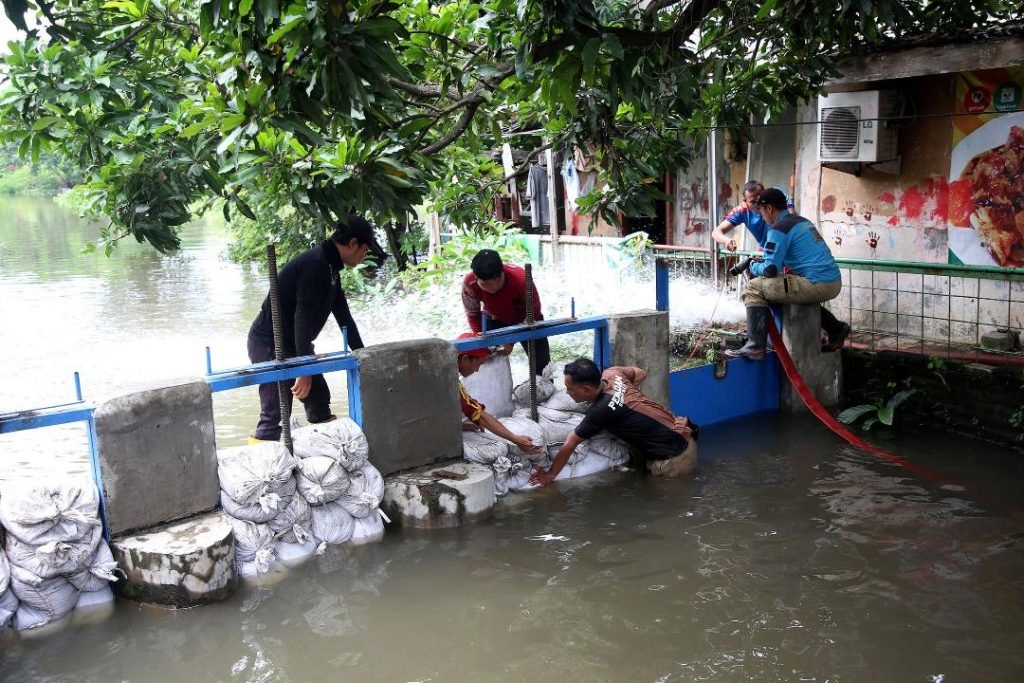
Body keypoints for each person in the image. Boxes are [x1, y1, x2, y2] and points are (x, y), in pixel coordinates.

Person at [247, 216, 386, 441]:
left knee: (319, 399)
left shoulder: (331, 268)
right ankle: (263, 470)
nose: (364, 256)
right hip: (270, 344)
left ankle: (325, 453)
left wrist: (362, 356)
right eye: (365, 250)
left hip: (295, 344)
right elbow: (302, 317)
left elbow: (344, 318)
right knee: (276, 414)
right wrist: (304, 367)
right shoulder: (316, 265)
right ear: (352, 243)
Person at [713, 180, 850, 352]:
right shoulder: (801, 221)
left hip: (818, 284)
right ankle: (836, 328)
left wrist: (752, 266)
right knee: (789, 291)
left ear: (769, 208)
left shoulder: (778, 228)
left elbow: (770, 270)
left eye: (761, 211)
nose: (761, 216)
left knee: (754, 289)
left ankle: (755, 344)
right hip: (833, 280)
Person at [529, 358, 698, 486]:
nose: (567, 393)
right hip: (680, 433)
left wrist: (550, 475)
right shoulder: (613, 374)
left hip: (674, 458)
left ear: (586, 389)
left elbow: (570, 443)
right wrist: (625, 393)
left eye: (570, 388)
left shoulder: (600, 411)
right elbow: (640, 373)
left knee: (671, 507)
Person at [461, 249, 551, 374]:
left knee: (542, 365)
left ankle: (545, 385)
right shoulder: (469, 284)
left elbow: (534, 310)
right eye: (487, 284)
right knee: (489, 360)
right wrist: (481, 340)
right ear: (476, 278)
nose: (493, 287)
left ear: (502, 272)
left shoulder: (521, 279)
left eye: (497, 281)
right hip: (494, 318)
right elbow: (473, 314)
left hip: (526, 318)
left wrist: (510, 340)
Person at [456, 334, 542, 455]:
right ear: (464, 359)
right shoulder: (447, 379)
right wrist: (515, 438)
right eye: (478, 364)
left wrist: (461, 426)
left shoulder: (443, 366)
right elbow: (476, 413)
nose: (477, 370)